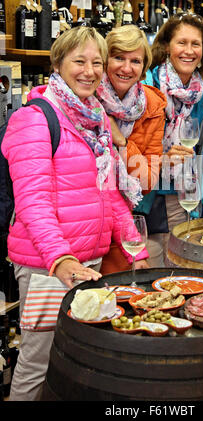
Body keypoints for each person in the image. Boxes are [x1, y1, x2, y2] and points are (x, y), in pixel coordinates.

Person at [1, 26, 148, 401]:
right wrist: (60, 260)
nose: (89, 71)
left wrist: (135, 249)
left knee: (73, 358)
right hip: (46, 265)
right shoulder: (35, 119)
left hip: (88, 262)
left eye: (97, 62)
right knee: (38, 362)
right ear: (58, 64)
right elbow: (33, 204)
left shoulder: (93, 118)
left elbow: (110, 195)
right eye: (78, 61)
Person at [145, 13, 203, 266]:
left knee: (177, 281)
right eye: (181, 42)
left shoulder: (202, 100)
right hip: (143, 202)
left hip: (182, 203)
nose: (189, 50)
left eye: (196, 44)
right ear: (166, 46)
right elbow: (123, 150)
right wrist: (160, 161)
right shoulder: (145, 88)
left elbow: (198, 160)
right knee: (145, 285)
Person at [96, 24, 166, 271]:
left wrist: (122, 141)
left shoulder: (153, 107)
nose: (126, 68)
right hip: (89, 224)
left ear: (144, 67)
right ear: (104, 60)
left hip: (127, 225)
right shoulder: (85, 98)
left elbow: (147, 183)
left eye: (135, 61)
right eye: (118, 58)